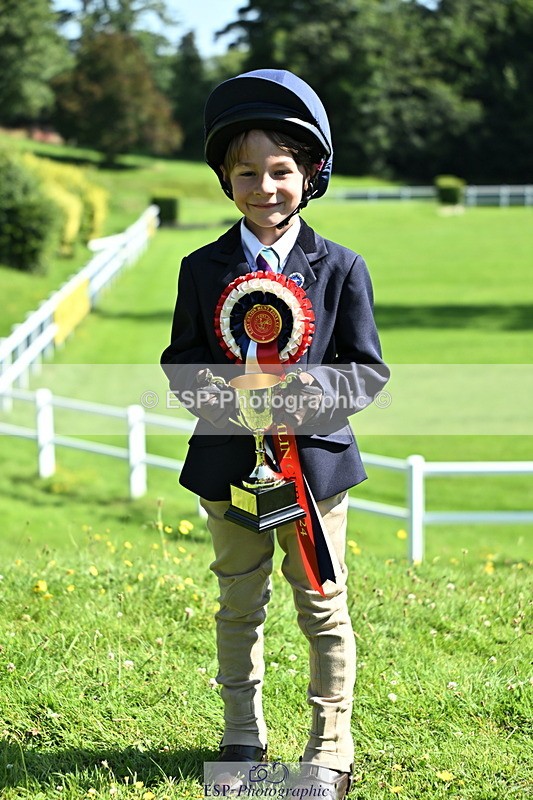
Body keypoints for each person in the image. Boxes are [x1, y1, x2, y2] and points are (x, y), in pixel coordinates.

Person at [161, 69, 389, 800]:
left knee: (321, 604)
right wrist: (235, 400)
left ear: (310, 173)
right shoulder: (201, 270)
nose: (265, 187)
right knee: (237, 601)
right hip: (229, 467)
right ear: (226, 180)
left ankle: (328, 749)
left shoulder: (342, 267)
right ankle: (241, 738)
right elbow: (179, 365)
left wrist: (294, 400)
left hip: (313, 473)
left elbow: (366, 372)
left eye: (281, 171)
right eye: (247, 173)